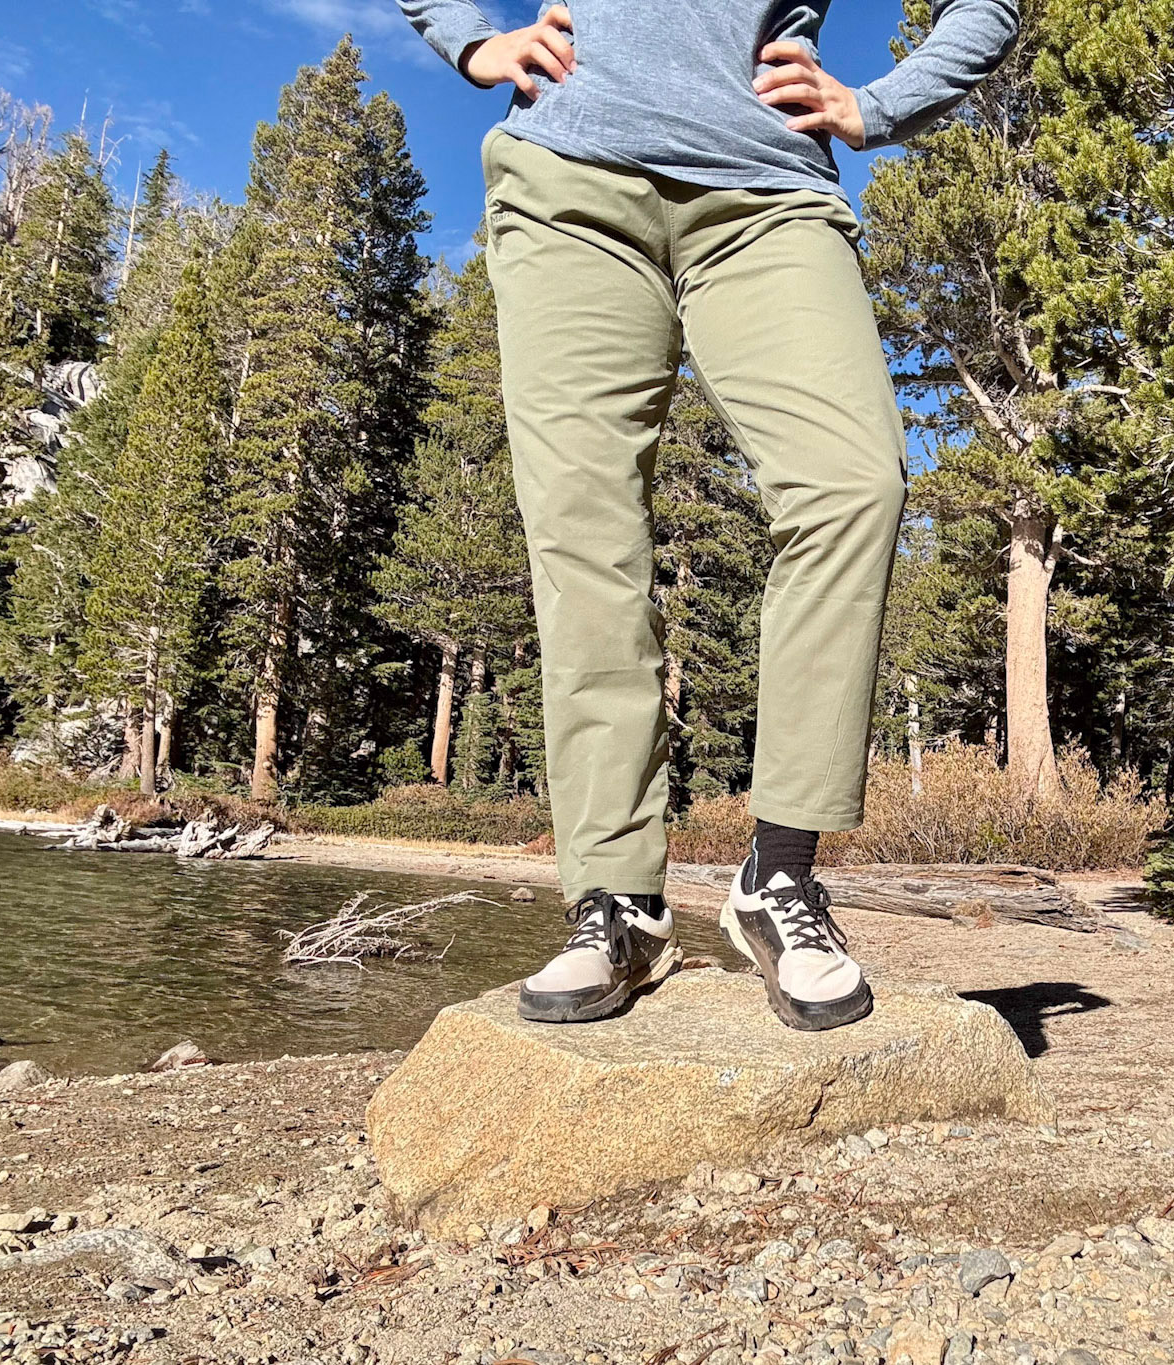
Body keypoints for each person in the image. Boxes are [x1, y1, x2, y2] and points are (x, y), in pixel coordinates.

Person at [396, 0, 1019, 1031]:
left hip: (767, 193)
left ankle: (778, 879)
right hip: (568, 187)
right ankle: (619, 902)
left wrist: (882, 104)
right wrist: (470, 40)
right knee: (584, 529)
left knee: (851, 485)